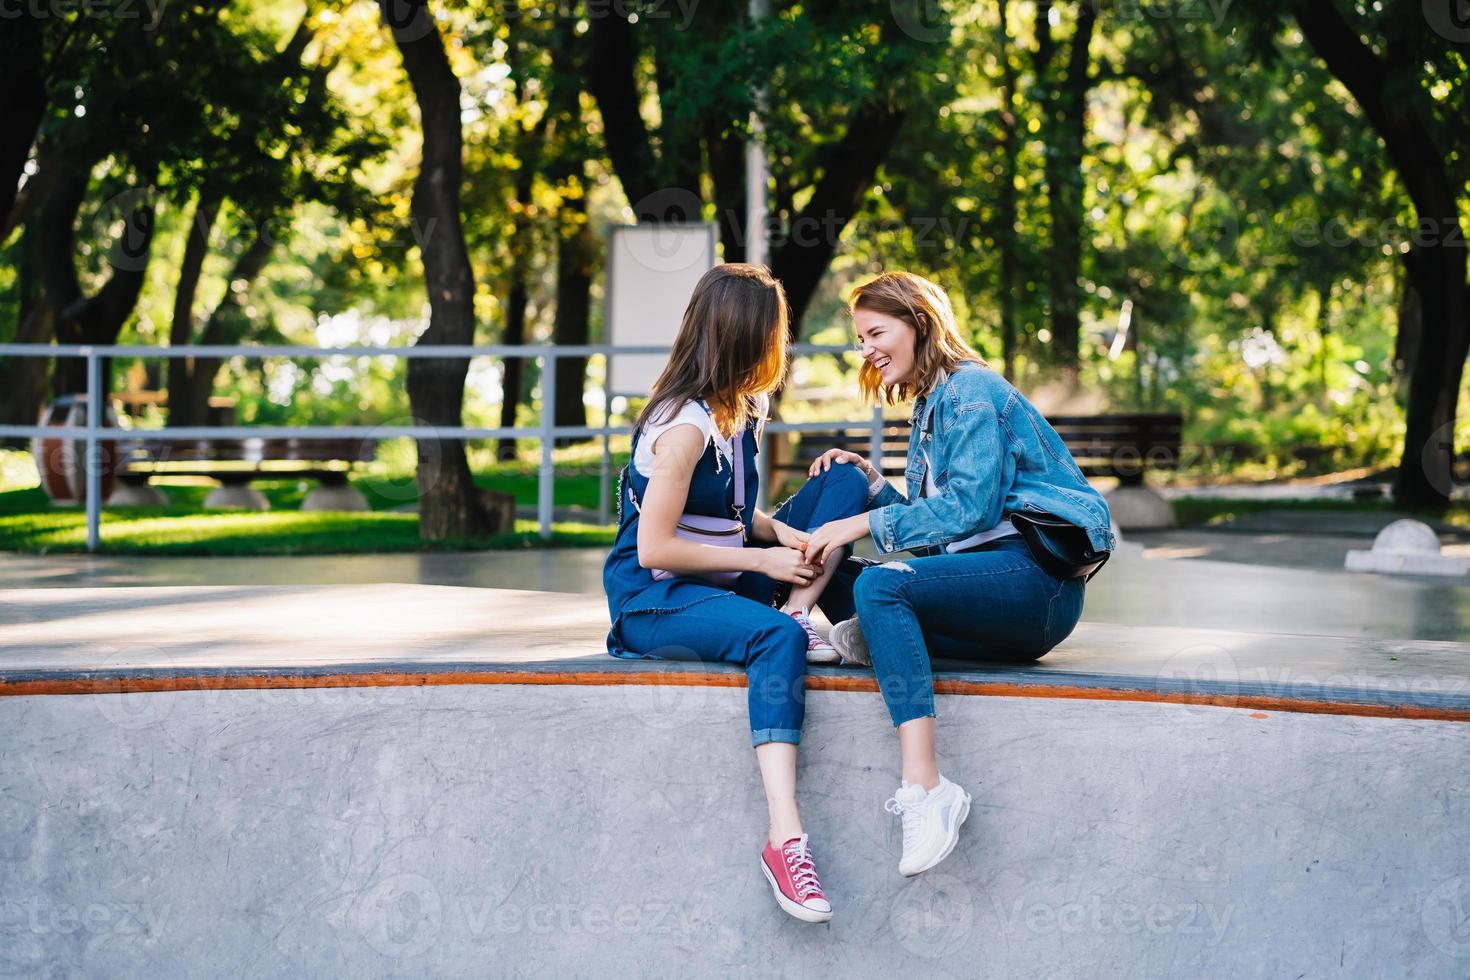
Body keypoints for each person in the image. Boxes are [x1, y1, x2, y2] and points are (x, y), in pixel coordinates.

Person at [801, 271, 1114, 879]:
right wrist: (870, 483)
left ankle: (926, 787)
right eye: (859, 338)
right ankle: (882, 638)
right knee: (852, 577)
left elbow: (970, 509)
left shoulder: (971, 391)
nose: (865, 349)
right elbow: (944, 538)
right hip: (985, 586)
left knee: (878, 584)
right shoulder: (929, 408)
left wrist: (860, 519)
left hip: (1034, 585)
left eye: (875, 332)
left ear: (918, 321)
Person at [603, 263, 870, 924]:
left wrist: (782, 532)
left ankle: (802, 613)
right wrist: (767, 561)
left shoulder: (735, 410)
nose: (784, 348)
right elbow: (655, 548)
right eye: (776, 335)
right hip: (655, 597)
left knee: (843, 485)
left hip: (722, 570)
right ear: (748, 340)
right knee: (772, 637)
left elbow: (726, 507)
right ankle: (786, 840)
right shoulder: (684, 428)